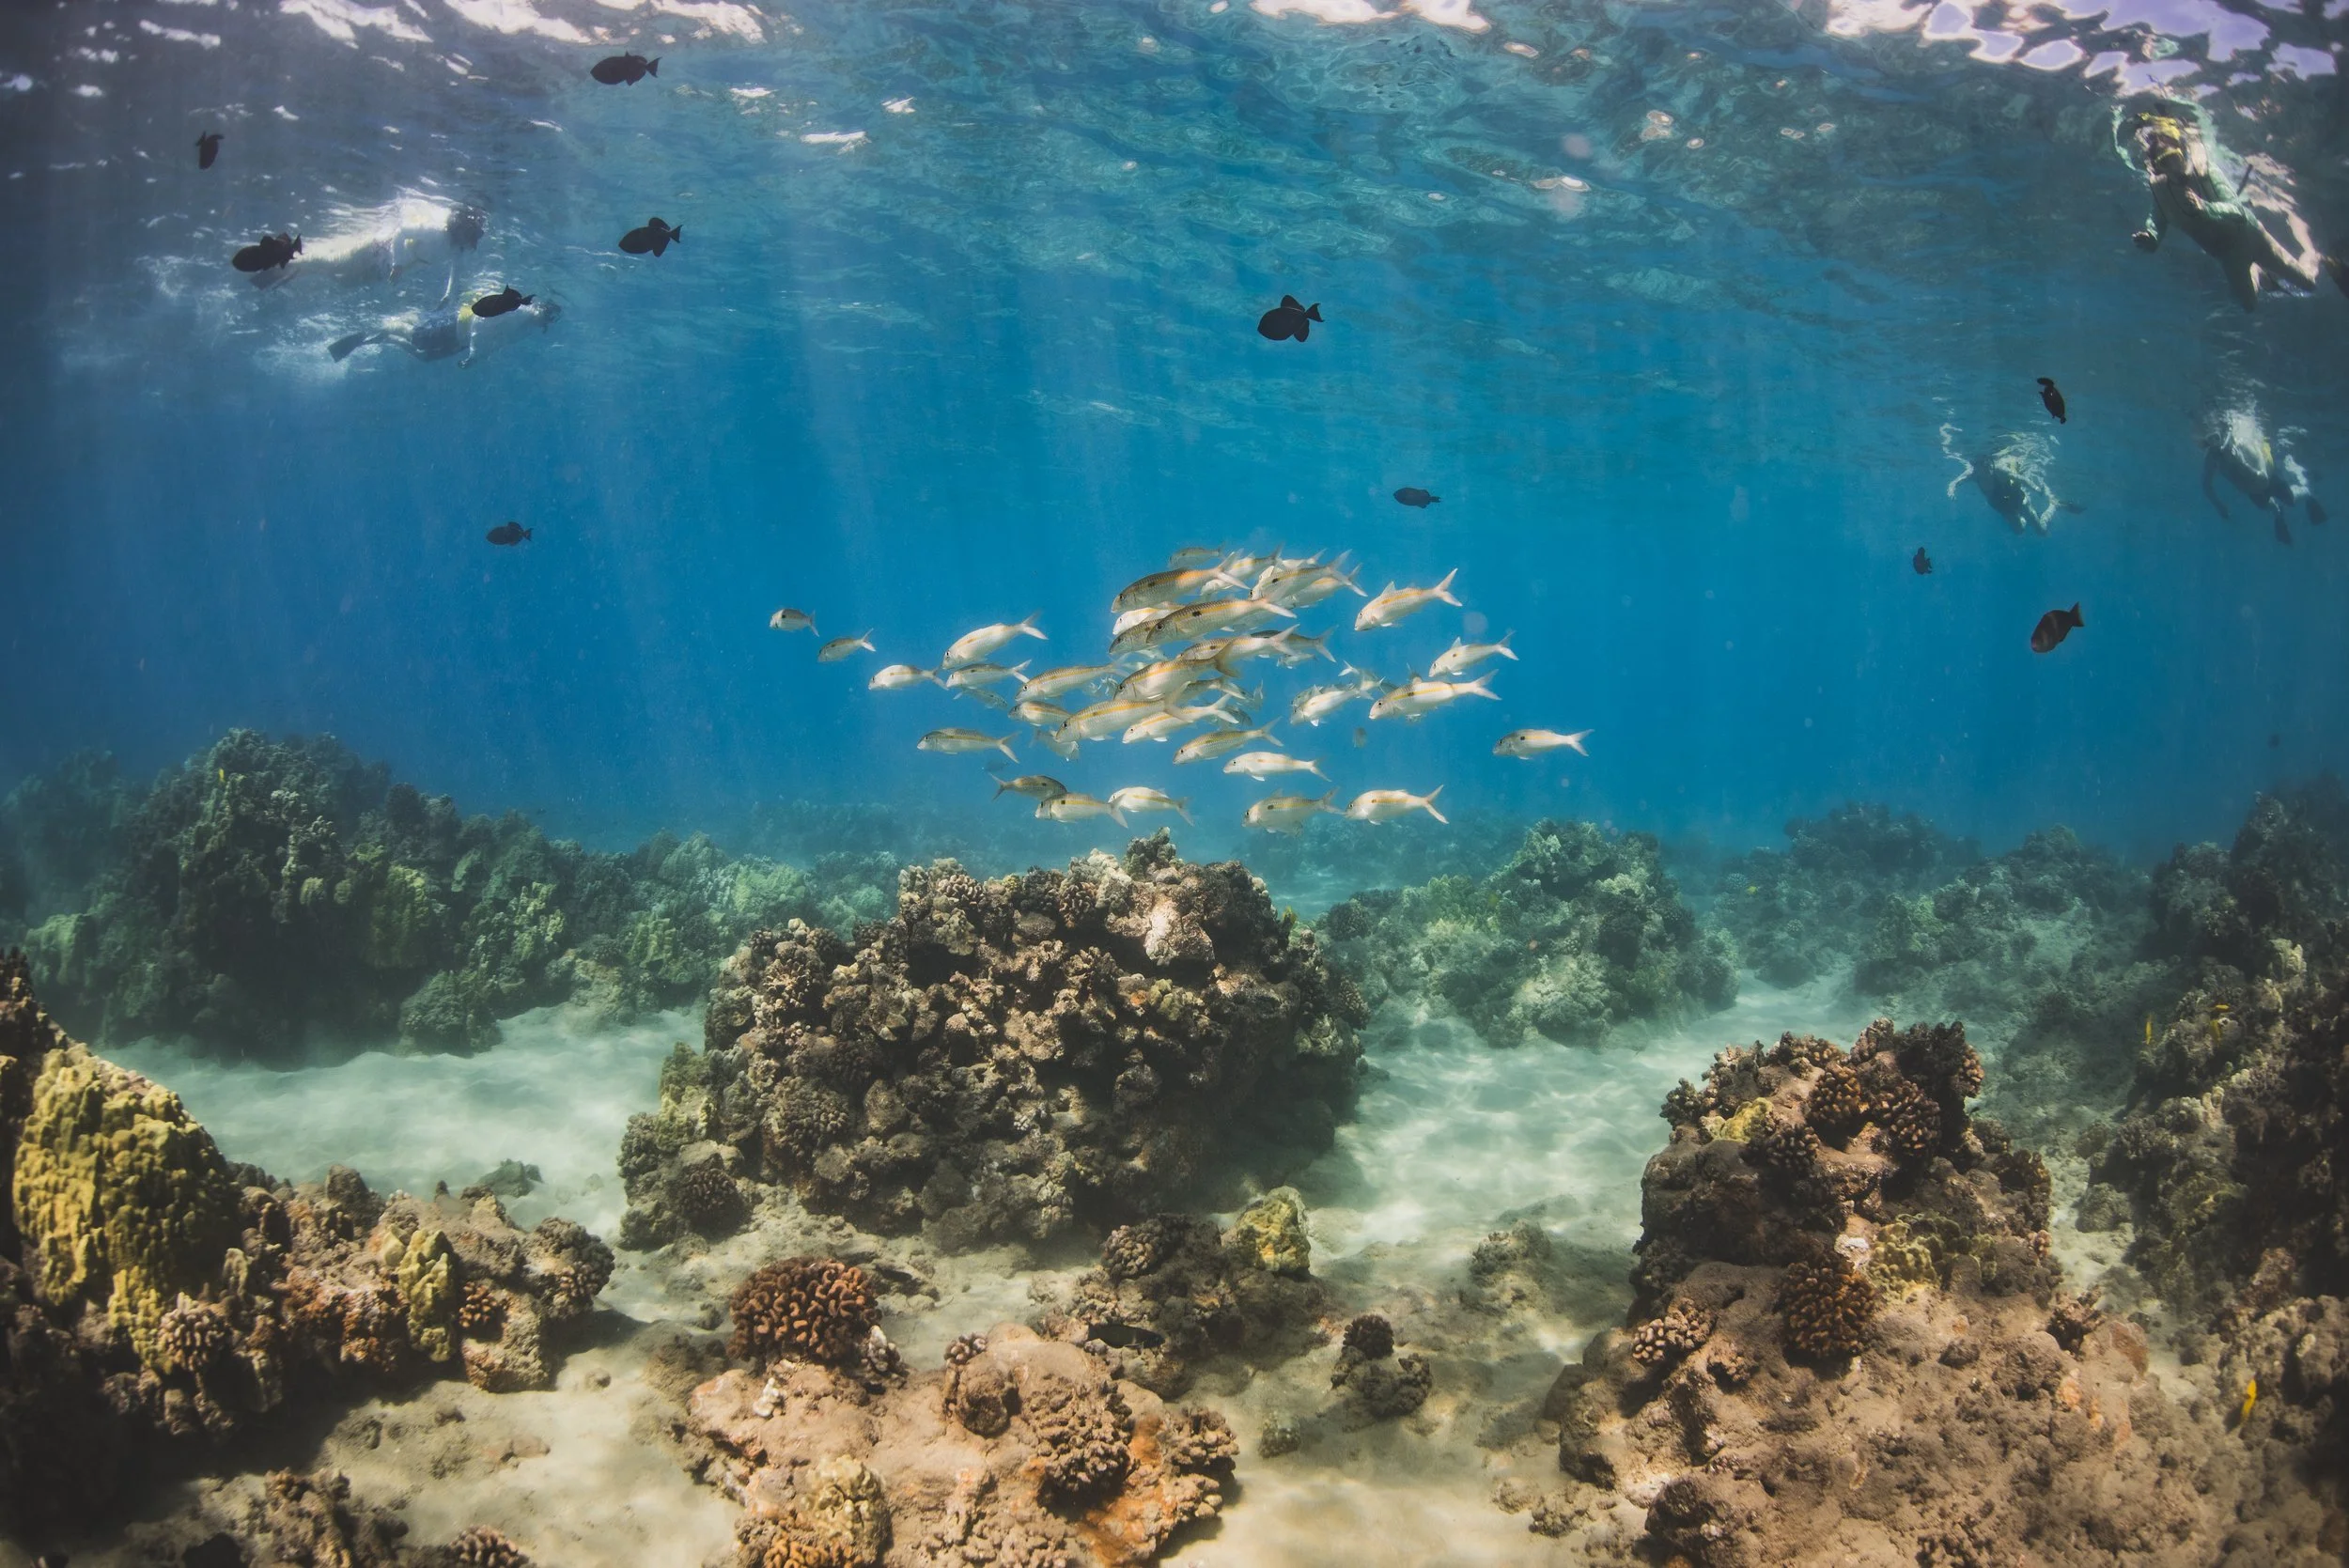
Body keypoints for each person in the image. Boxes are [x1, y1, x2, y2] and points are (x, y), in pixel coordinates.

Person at [2119, 98, 2321, 312]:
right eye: (2164, 164)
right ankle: (2258, 272)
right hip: (2227, 254)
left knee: (2309, 283)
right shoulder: (2162, 190)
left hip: (2252, 238)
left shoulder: (2205, 172)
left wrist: (2206, 208)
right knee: (2249, 306)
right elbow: (2159, 218)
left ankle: (2313, 253)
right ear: (2156, 169)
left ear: (2183, 152)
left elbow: (2240, 213)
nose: (2174, 169)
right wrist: (2152, 237)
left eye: (2175, 158)